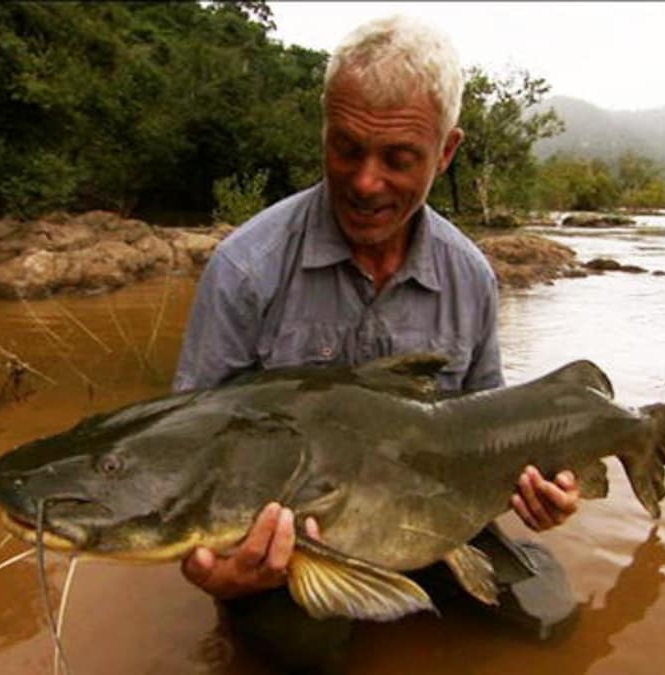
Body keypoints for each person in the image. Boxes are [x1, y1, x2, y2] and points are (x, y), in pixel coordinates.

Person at [173, 15, 580, 672]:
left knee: (550, 617)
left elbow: (489, 422)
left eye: (398, 158)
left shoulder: (470, 276)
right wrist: (217, 571)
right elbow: (187, 456)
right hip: (297, 548)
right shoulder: (245, 270)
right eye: (346, 148)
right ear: (325, 131)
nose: (365, 182)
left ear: (446, 152)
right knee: (308, 652)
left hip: (431, 518)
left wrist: (538, 490)